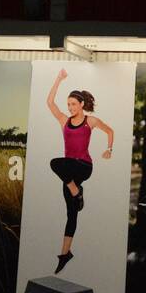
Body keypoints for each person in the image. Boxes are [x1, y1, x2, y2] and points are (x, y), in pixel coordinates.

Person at [46, 68, 115, 274]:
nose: (69, 108)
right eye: (68, 104)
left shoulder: (90, 121)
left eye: (73, 104)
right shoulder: (63, 121)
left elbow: (110, 131)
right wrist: (58, 79)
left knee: (54, 162)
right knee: (71, 214)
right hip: (70, 174)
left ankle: (77, 192)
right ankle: (65, 253)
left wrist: (109, 149)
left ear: (82, 104)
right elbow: (50, 103)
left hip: (84, 167)